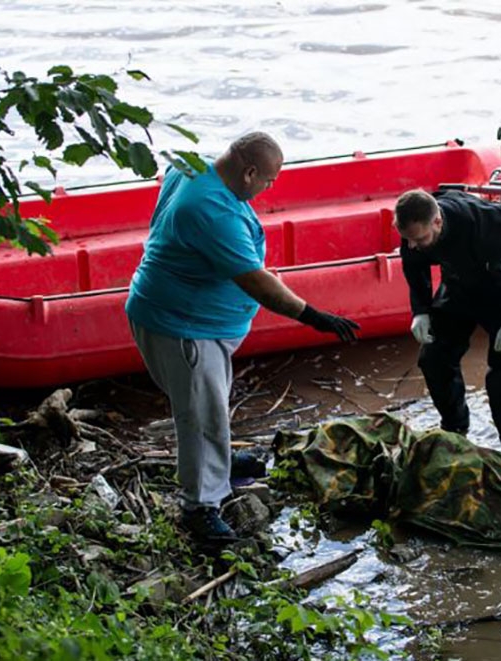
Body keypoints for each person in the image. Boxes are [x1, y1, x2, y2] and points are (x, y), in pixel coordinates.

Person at [125, 132, 359, 543]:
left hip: (173, 313)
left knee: (209, 404)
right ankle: (201, 506)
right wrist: (314, 316)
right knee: (199, 415)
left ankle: (218, 462)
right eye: (268, 180)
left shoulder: (192, 165)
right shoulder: (213, 212)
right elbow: (256, 281)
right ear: (249, 172)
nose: (270, 187)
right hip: (185, 327)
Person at [394, 188, 501, 459]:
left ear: (438, 222)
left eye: (419, 239)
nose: (412, 245)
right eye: (407, 239)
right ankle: (454, 428)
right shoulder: (414, 230)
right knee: (434, 358)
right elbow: (413, 263)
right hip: (461, 287)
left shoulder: (490, 227)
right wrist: (420, 310)